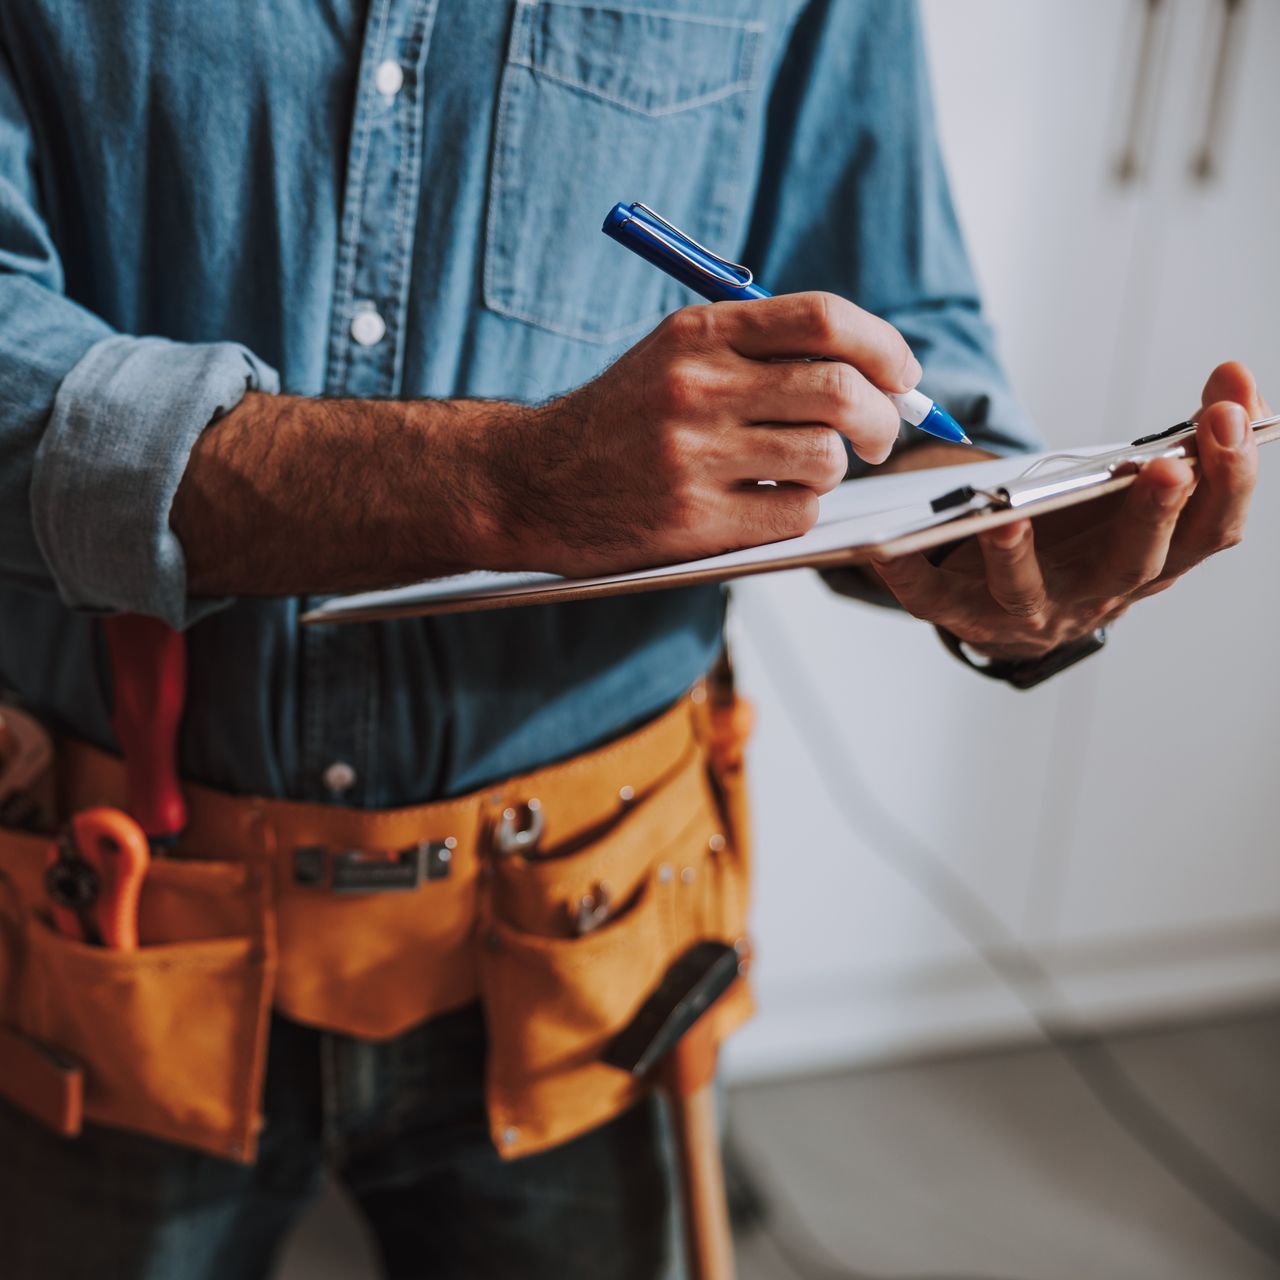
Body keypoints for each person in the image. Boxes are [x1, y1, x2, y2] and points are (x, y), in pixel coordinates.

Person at [0, 2, 1267, 1278]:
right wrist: (511, 482)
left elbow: (895, 336)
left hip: (588, 930)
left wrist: (980, 537)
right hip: (101, 913)